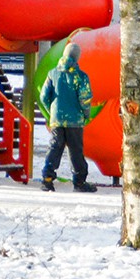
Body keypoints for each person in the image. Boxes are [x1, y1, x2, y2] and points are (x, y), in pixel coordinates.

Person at [40, 41, 97, 192]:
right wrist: (85, 115)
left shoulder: (52, 74)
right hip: (75, 121)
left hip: (57, 120)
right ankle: (79, 182)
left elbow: (44, 96)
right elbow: (85, 99)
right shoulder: (81, 77)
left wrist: (51, 112)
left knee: (54, 148)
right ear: (77, 58)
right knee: (76, 151)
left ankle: (47, 179)